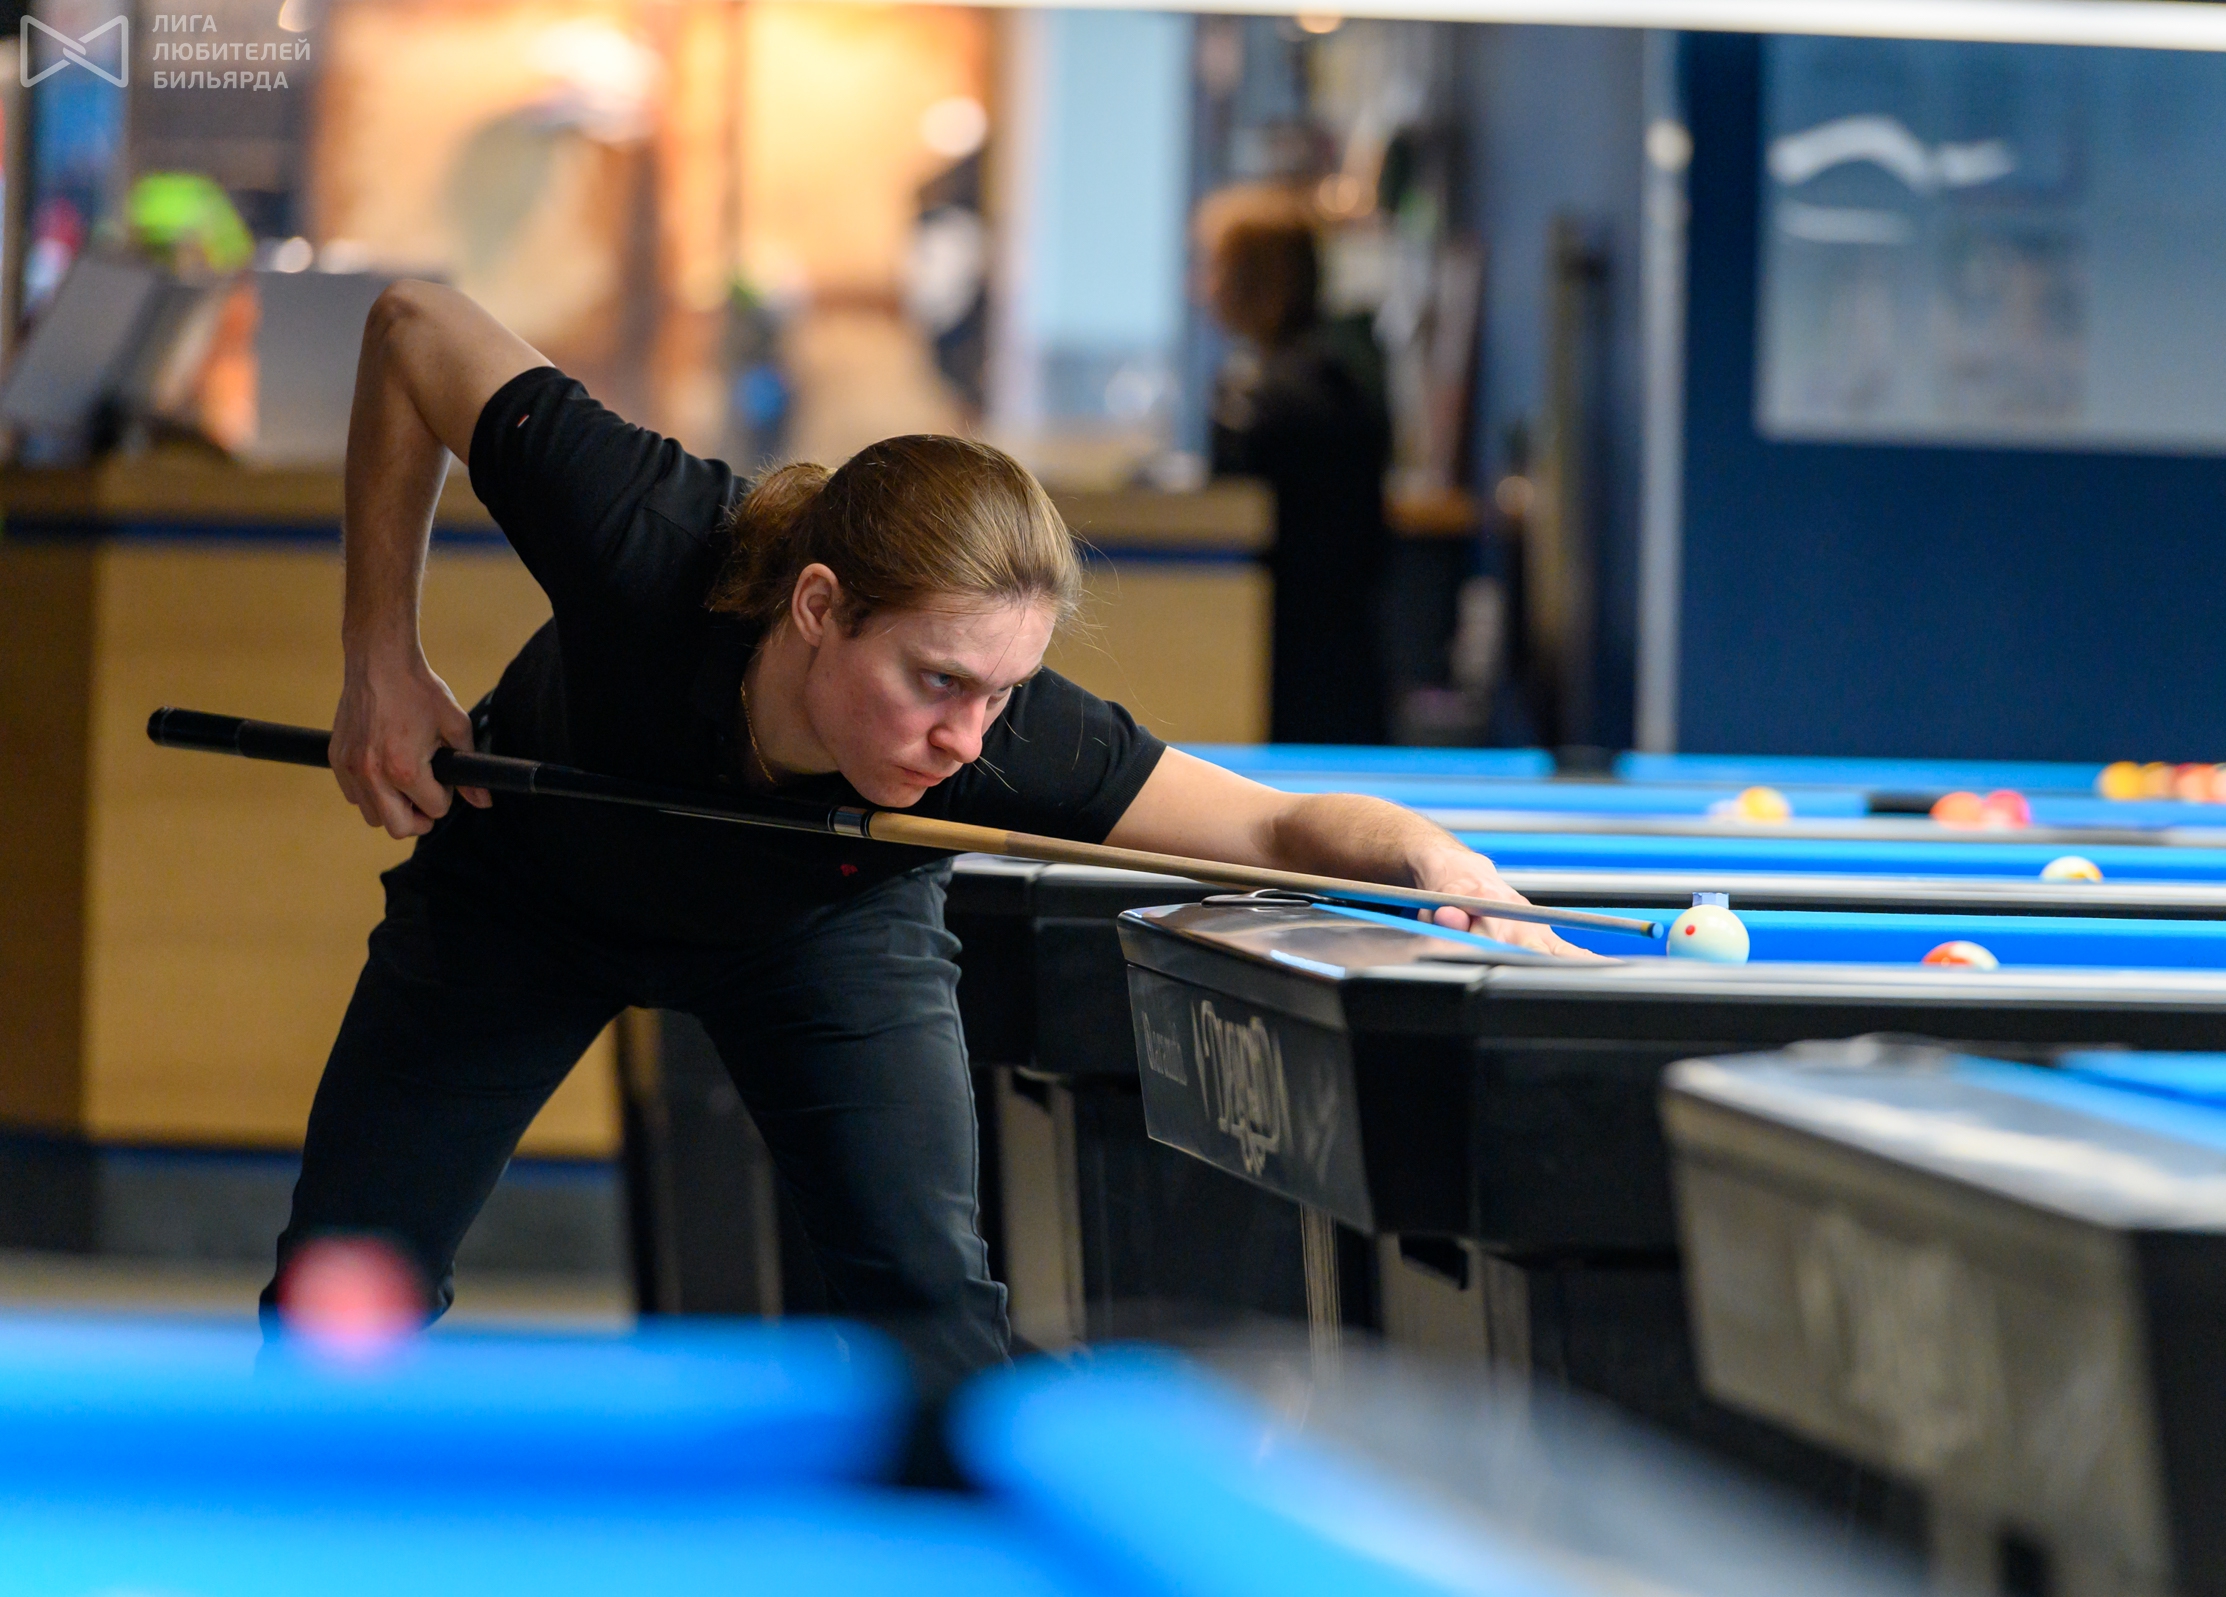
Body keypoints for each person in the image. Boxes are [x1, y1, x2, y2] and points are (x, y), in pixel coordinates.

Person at [282, 278, 1579, 1397]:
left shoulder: (1010, 741)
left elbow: (1275, 823)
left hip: (819, 930)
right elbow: (413, 325)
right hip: (527, 884)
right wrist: (378, 654)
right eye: (938, 681)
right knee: (344, 1289)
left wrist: (1433, 858)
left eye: (1001, 692)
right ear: (818, 606)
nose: (967, 735)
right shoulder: (646, 532)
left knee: (931, 1319)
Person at [1198, 184, 1392, 746]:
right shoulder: (1342, 377)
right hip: (1345, 660)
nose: (1203, 287)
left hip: (1281, 669)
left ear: (1253, 280)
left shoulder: (1260, 403)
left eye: (1215, 267)